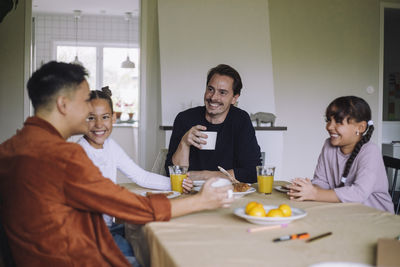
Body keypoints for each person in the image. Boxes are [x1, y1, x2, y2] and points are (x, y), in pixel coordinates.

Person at [0, 61, 234, 267]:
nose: (89, 112)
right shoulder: (63, 156)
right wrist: (201, 200)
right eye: (85, 103)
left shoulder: (10, 148)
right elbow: (130, 206)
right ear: (63, 104)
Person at [77, 87, 193, 258]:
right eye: (91, 118)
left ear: (113, 118)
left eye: (105, 117)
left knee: (146, 238)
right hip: (88, 234)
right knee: (138, 256)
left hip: (105, 227)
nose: (99, 125)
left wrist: (177, 184)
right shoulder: (79, 153)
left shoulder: (110, 146)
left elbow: (141, 176)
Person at [287, 96, 394, 213]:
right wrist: (308, 190)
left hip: (375, 217)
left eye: (338, 121)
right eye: (328, 120)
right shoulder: (328, 145)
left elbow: (358, 194)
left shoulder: (370, 151)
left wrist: (315, 193)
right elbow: (321, 181)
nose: (329, 126)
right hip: (345, 212)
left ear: (360, 127)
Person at [165, 64, 261, 183]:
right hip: (189, 193)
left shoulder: (240, 120)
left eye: (222, 92)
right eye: (210, 89)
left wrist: (204, 175)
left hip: (228, 194)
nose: (213, 97)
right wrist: (184, 143)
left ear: (234, 98)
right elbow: (171, 174)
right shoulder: (185, 119)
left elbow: (252, 172)